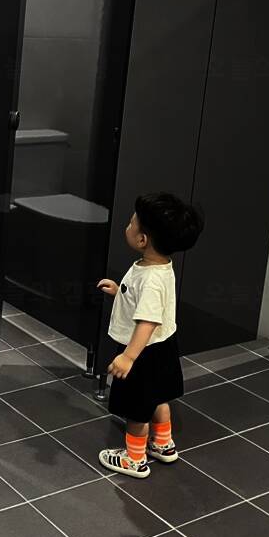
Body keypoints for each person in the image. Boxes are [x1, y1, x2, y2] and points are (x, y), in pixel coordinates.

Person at [96, 193, 204, 479]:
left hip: (143, 353)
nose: (127, 226)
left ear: (143, 239)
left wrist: (128, 356)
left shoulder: (150, 279)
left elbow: (148, 320)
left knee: (137, 409)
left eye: (131, 223)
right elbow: (146, 305)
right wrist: (120, 292)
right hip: (163, 348)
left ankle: (134, 459)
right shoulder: (159, 267)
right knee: (158, 397)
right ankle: (163, 443)